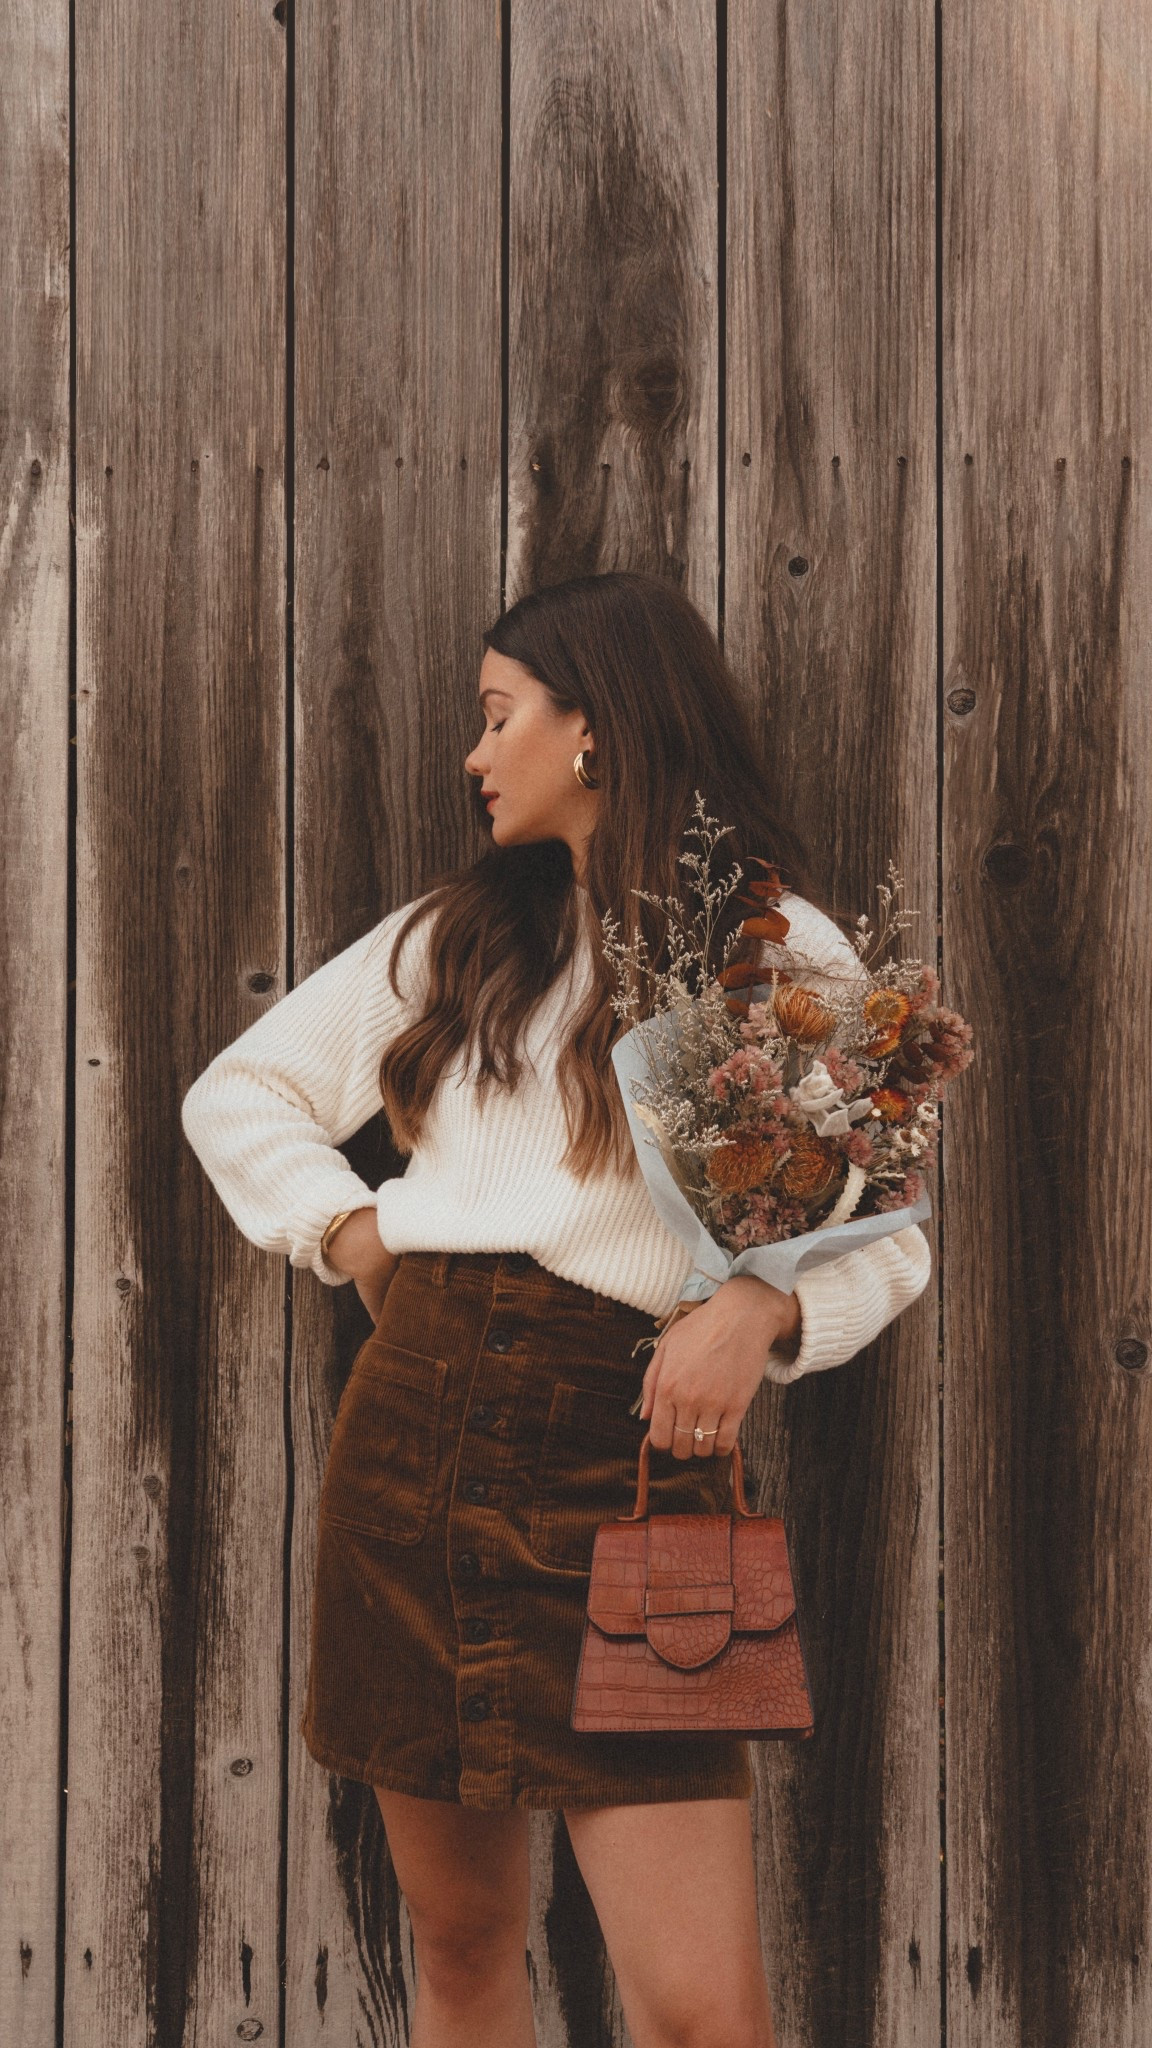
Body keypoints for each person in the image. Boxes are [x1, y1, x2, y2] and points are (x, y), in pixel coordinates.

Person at [182, 570, 932, 2048]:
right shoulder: (458, 937)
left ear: (595, 729)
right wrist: (352, 1230)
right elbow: (242, 1090)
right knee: (461, 1951)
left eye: (497, 715)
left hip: (635, 1463)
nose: (476, 754)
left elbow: (890, 1234)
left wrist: (755, 1312)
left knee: (702, 2014)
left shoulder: (778, 954)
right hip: (412, 1445)